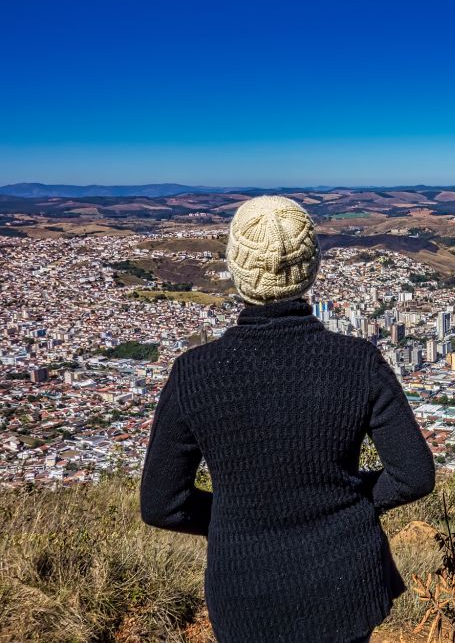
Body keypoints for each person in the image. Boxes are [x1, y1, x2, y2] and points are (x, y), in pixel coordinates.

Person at [140, 195, 435, 642]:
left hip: (245, 594)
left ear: (236, 268)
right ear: (310, 267)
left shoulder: (195, 373)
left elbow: (163, 504)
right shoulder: (357, 362)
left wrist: (238, 515)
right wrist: (346, 501)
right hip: (345, 585)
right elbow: (413, 476)